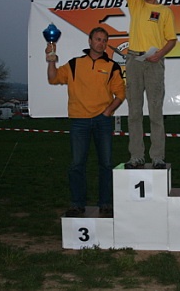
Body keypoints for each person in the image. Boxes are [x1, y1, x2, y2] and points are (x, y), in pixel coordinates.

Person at [46, 27, 126, 217]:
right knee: (77, 165)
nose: (101, 43)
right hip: (79, 120)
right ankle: (77, 204)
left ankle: (105, 204)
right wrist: (50, 60)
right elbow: (53, 78)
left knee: (106, 164)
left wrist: (108, 111)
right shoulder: (75, 64)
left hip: (102, 121)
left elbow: (121, 94)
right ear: (90, 41)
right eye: (98, 39)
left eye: (104, 40)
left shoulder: (112, 66)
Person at [117, 0, 177, 169]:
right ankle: (136, 156)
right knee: (134, 112)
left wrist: (159, 55)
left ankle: (158, 157)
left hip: (154, 62)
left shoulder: (165, 11)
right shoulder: (137, 3)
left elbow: (171, 40)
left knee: (155, 112)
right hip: (133, 60)